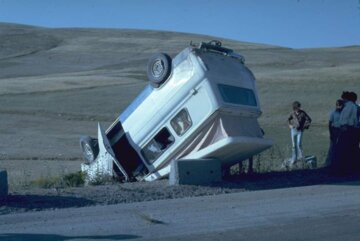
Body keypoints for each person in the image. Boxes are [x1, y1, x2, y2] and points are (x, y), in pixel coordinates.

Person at [333, 91, 358, 175]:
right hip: (350, 129)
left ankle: (341, 169)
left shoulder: (349, 106)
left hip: (346, 128)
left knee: (342, 149)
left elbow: (345, 118)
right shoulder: (352, 106)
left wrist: (343, 126)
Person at [287, 101, 312, 168]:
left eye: (299, 107)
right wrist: (290, 125)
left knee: (299, 144)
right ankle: (294, 158)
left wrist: (304, 127)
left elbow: (309, 120)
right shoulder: (292, 113)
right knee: (294, 145)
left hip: (300, 131)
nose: (299, 108)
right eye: (298, 107)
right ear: (295, 108)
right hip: (293, 130)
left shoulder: (303, 113)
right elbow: (288, 119)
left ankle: (301, 158)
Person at [326, 99, 344, 168]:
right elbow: (330, 124)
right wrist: (331, 134)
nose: (339, 107)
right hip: (335, 130)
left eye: (340, 105)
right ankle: (330, 162)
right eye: (339, 105)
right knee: (332, 147)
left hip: (341, 130)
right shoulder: (333, 113)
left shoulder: (343, 113)